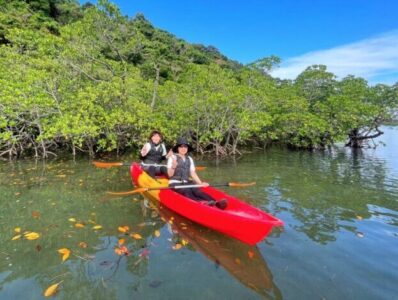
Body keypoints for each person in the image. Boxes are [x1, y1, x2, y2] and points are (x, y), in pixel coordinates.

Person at [167, 137, 227, 209]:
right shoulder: (172, 158)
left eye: (185, 146)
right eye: (181, 146)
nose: (183, 148)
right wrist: (173, 166)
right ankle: (203, 203)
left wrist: (200, 183)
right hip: (175, 183)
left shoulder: (189, 159)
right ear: (178, 148)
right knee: (187, 191)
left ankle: (216, 202)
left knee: (198, 192)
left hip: (187, 182)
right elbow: (170, 174)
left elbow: (193, 173)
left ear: (187, 148)